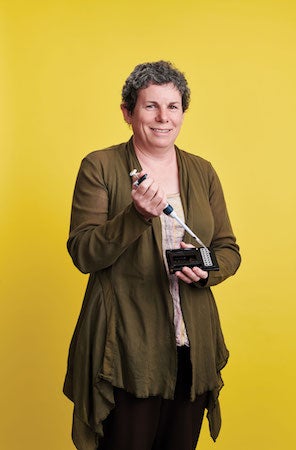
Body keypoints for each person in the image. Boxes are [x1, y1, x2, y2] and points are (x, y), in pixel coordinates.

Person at [63, 60, 241, 450]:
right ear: (128, 113)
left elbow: (227, 250)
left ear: (182, 112)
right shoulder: (100, 166)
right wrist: (137, 215)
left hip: (192, 345)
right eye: (150, 106)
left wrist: (205, 269)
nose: (164, 118)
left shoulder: (203, 171)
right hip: (127, 346)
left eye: (173, 106)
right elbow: (83, 253)